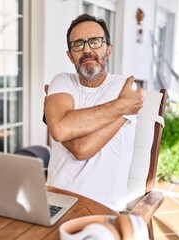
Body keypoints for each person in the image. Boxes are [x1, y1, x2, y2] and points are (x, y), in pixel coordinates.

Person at [44, 14, 144, 210]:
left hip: (102, 207)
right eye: (78, 44)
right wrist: (121, 106)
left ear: (109, 50)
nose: (87, 49)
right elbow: (59, 129)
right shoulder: (62, 81)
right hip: (54, 200)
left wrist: (53, 118)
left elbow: (82, 149)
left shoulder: (123, 88)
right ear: (70, 55)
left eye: (95, 42)